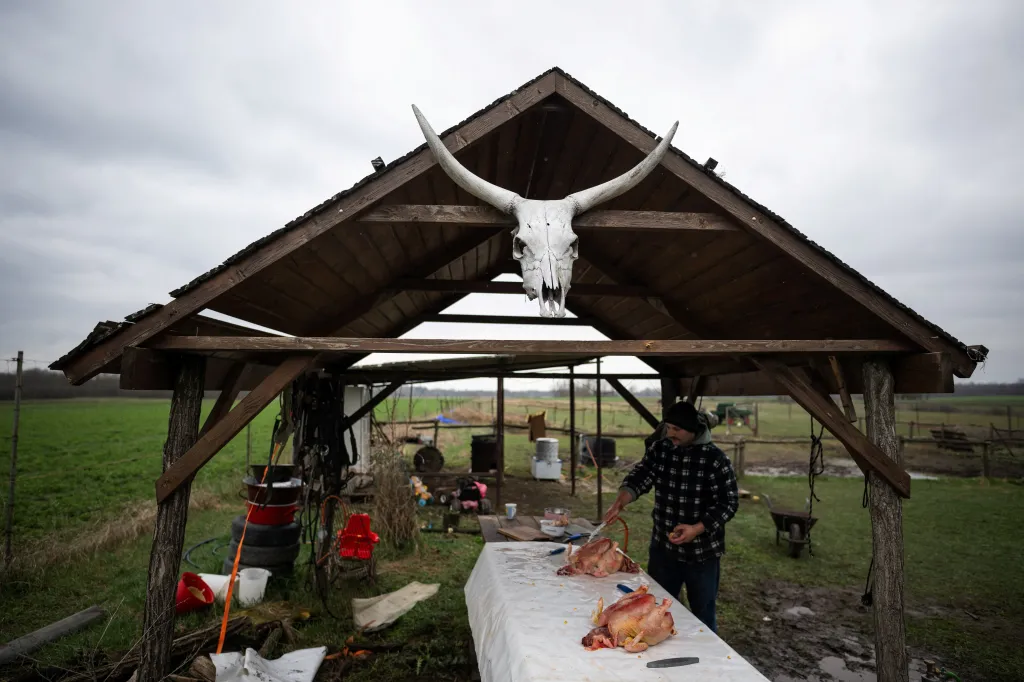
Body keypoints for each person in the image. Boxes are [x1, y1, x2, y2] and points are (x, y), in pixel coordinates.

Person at [603, 400, 739, 633]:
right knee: (656, 611)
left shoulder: (715, 459)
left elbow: (729, 503)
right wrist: (620, 502)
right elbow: (641, 476)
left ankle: (704, 651)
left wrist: (697, 528)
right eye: (668, 428)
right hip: (663, 551)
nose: (670, 434)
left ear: (692, 430)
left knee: (703, 615)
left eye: (677, 429)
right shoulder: (662, 449)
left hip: (702, 554)